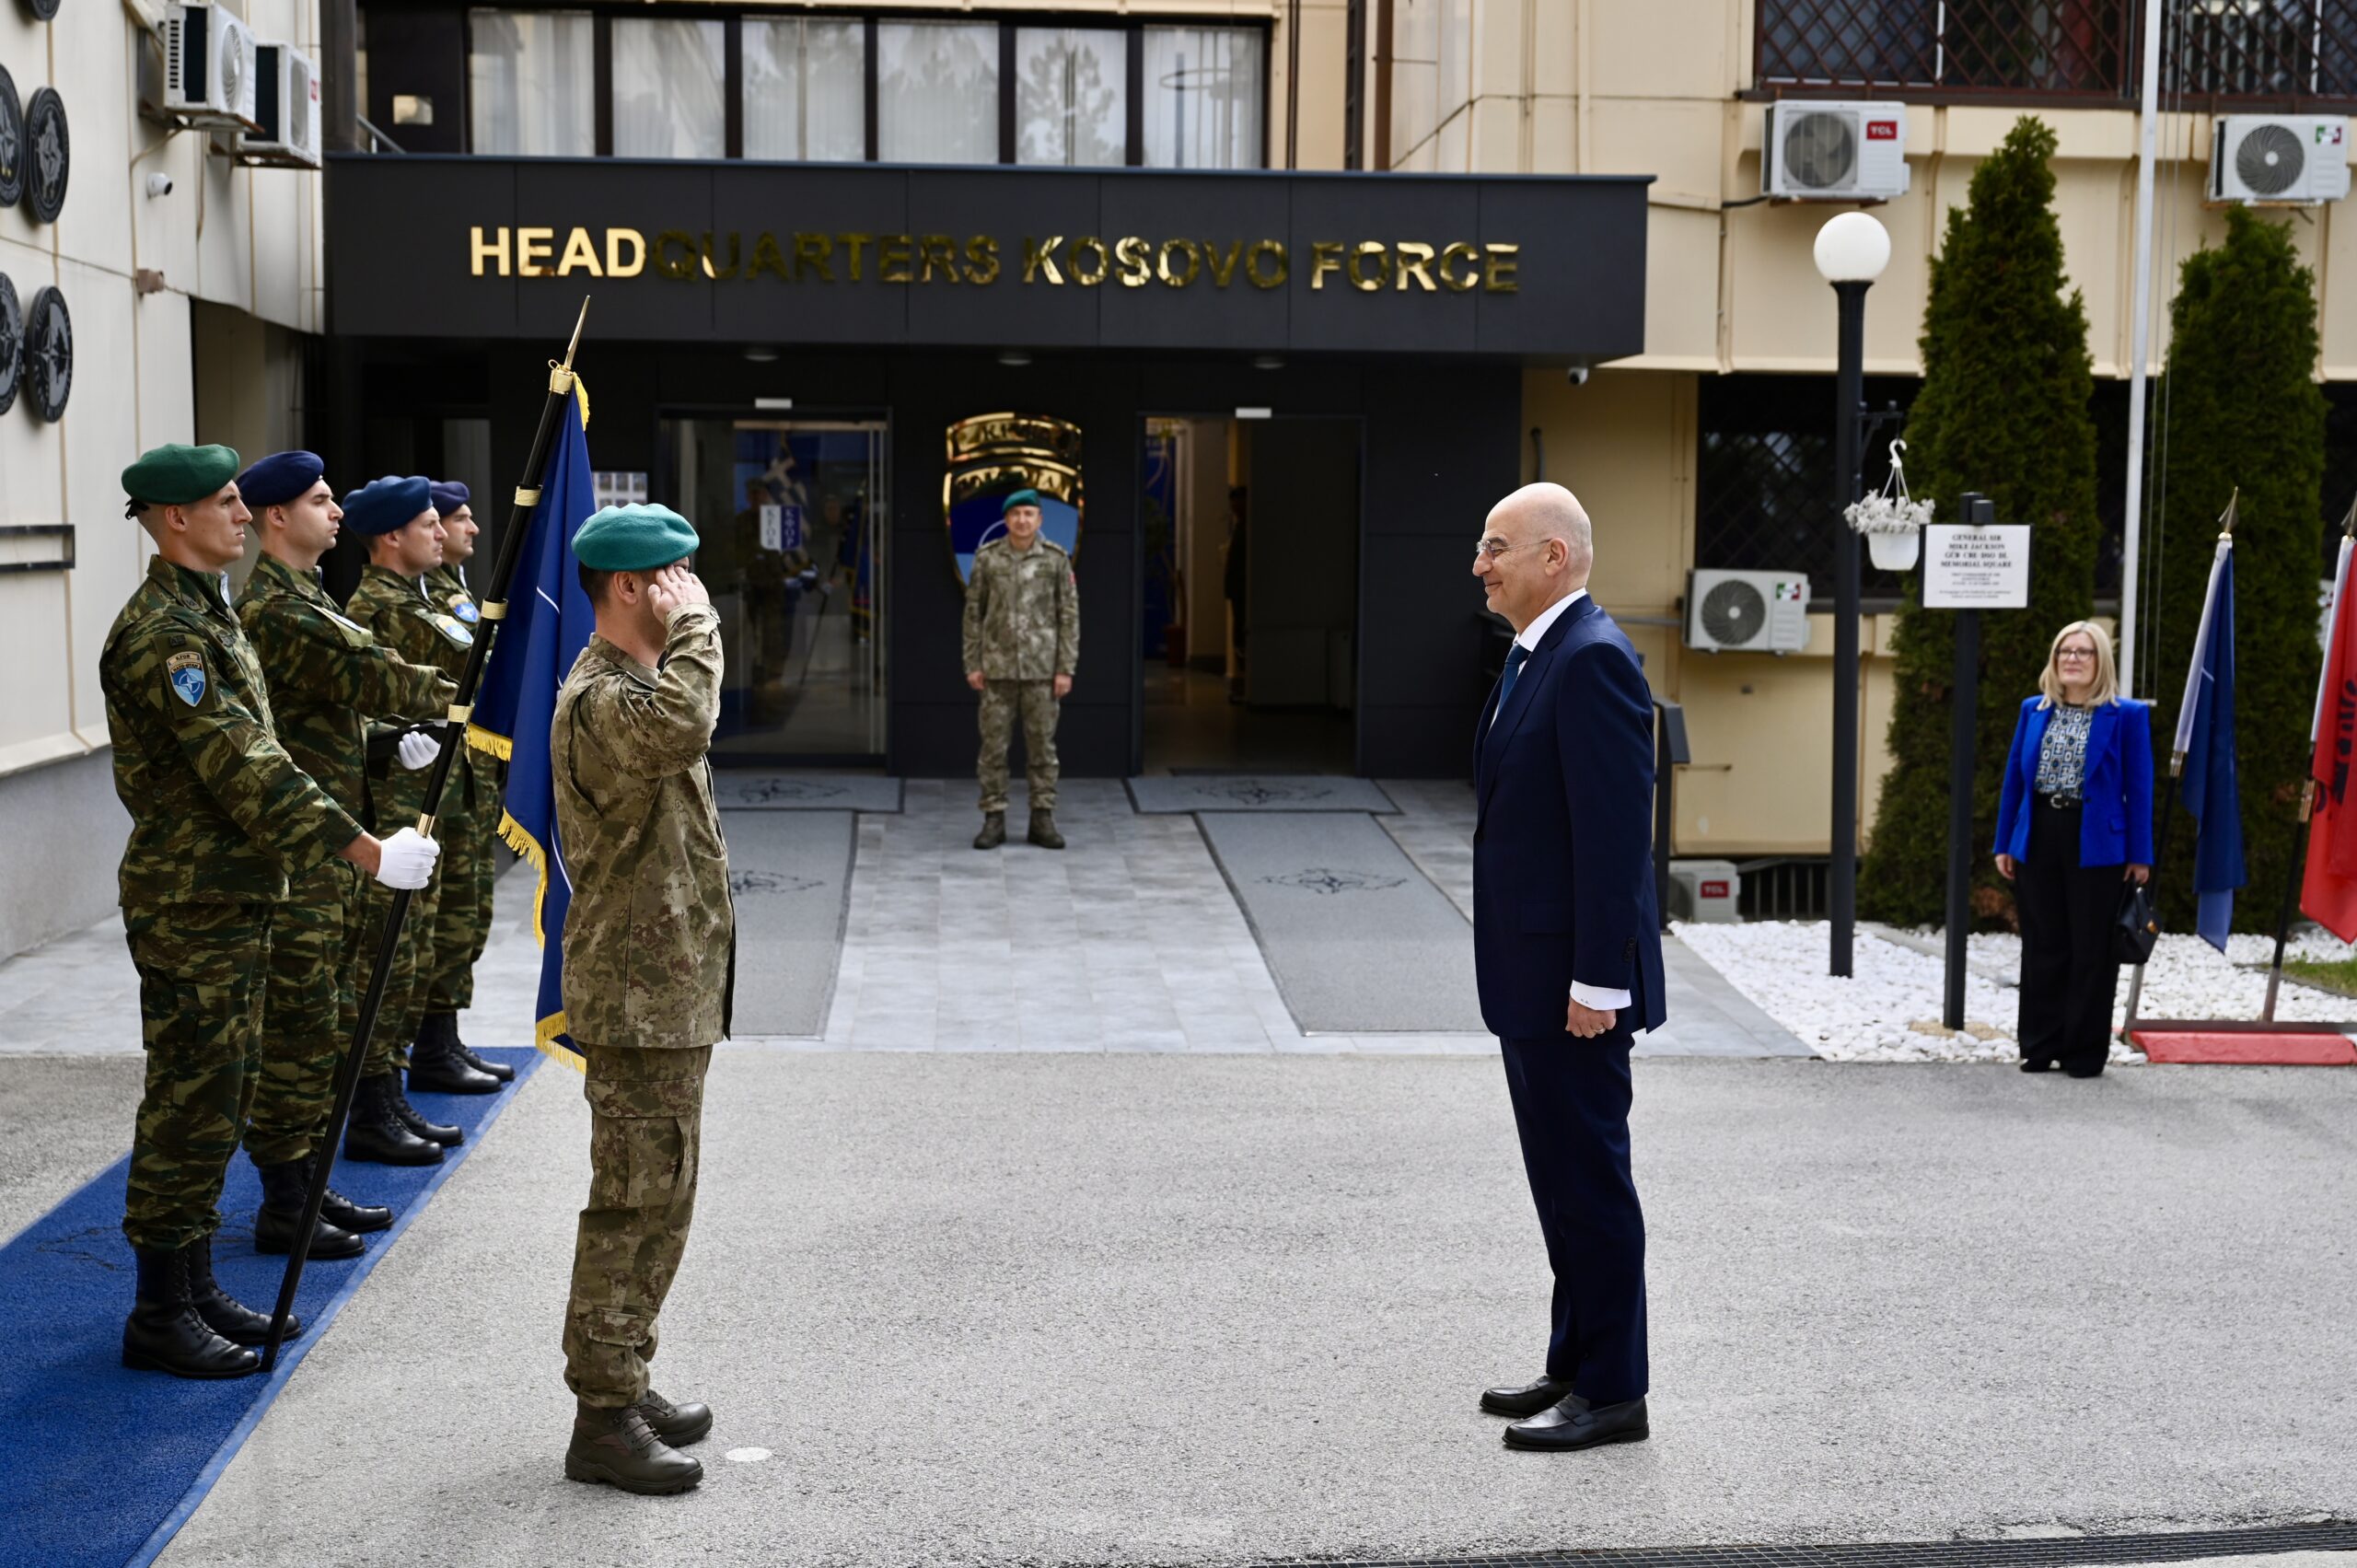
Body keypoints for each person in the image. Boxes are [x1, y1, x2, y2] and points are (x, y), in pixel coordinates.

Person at [106, 443, 438, 1378]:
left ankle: (195, 1282)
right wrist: (365, 849)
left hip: (236, 891)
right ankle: (159, 1310)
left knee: (228, 1088)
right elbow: (246, 764)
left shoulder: (209, 613)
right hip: (193, 900)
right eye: (226, 501)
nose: (243, 514)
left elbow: (272, 750)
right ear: (176, 518)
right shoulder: (165, 635)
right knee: (191, 1098)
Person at [1467, 481, 1664, 1454]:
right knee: (1559, 1180)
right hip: (1531, 977)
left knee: (1590, 1183)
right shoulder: (1534, 653)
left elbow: (1616, 836)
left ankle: (1615, 1392)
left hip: (1573, 988)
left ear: (1554, 556)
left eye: (1495, 546)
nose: (1479, 563)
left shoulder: (1591, 660)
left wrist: (1597, 979)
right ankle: (1575, 1360)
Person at [233, 451, 458, 1258]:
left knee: (324, 1015)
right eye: (320, 500)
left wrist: (386, 745)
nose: (336, 512)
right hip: (303, 852)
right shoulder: (275, 609)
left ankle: (306, 1178)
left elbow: (335, 717)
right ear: (277, 517)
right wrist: (467, 696)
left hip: (331, 844)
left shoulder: (306, 595)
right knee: (300, 1024)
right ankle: (285, 1199)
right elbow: (371, 672)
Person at [552, 503, 733, 1495]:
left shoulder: (639, 689)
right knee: (631, 1201)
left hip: (666, 989)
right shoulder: (602, 700)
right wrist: (696, 625)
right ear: (630, 586)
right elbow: (687, 720)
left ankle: (626, 1371)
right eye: (676, 575)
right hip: (636, 994)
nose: (690, 589)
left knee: (662, 1193)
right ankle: (602, 1417)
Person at [339, 477, 482, 1168]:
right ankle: (373, 1103)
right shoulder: (372, 608)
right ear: (392, 536)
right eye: (430, 523)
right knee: (389, 957)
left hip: (435, 791)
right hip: (395, 805)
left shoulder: (423, 598)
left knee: (423, 947)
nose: (445, 532)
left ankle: (395, 1086)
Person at [1993, 621, 2154, 1078]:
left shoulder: (2127, 715)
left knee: (2092, 949)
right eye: (2065, 651)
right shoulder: (2034, 709)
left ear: (2101, 661)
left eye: (2084, 652)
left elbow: (2140, 787)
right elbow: (2014, 781)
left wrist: (2140, 854)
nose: (2072, 659)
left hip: (2099, 843)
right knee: (2043, 944)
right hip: (2039, 834)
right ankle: (2039, 1045)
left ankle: (2083, 1051)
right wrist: (2005, 841)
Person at [417, 479, 515, 1089]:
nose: (470, 529)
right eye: (458, 519)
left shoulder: (453, 594)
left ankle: (443, 1038)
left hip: (471, 781)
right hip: (440, 786)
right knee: (442, 921)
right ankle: (429, 1049)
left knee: (466, 917)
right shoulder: (418, 600)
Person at [963, 489, 1078, 851]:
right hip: (996, 670)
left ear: (1039, 519)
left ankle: (1042, 818)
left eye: (1029, 513)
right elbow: (973, 614)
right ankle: (993, 819)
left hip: (1042, 671)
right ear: (1006, 519)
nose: (1022, 520)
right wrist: (973, 662)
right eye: (1016, 514)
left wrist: (1065, 668)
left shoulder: (1056, 559)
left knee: (1042, 748)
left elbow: (1068, 616)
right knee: (993, 749)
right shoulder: (987, 558)